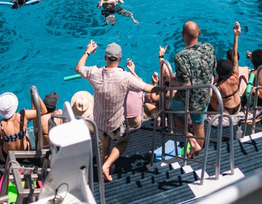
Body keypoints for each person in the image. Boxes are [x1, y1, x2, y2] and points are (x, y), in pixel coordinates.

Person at [76, 40, 158, 181]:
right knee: (123, 141)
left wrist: (88, 51)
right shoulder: (125, 77)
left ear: (105, 58)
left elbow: (79, 68)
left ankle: (107, 169)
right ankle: (107, 165)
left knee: (105, 144)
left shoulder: (95, 73)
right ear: (120, 58)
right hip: (116, 125)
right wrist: (162, 87)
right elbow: (146, 88)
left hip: (99, 124)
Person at [167, 21, 215, 158]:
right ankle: (198, 155)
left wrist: (172, 80)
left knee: (174, 111)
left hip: (188, 98)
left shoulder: (181, 56)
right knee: (199, 125)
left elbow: (186, 85)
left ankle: (191, 140)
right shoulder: (209, 48)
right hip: (205, 94)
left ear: (183, 35)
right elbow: (212, 69)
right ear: (199, 33)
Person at [0, 92, 45, 161]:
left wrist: (8, 138)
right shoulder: (23, 115)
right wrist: (36, 94)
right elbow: (43, 111)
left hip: (8, 157)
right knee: (25, 131)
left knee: (1, 145)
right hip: (24, 153)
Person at [210, 22, 243, 114]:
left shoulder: (218, 86)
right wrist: (236, 36)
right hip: (238, 107)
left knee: (212, 99)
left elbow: (214, 98)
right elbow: (235, 56)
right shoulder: (235, 76)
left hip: (227, 111)